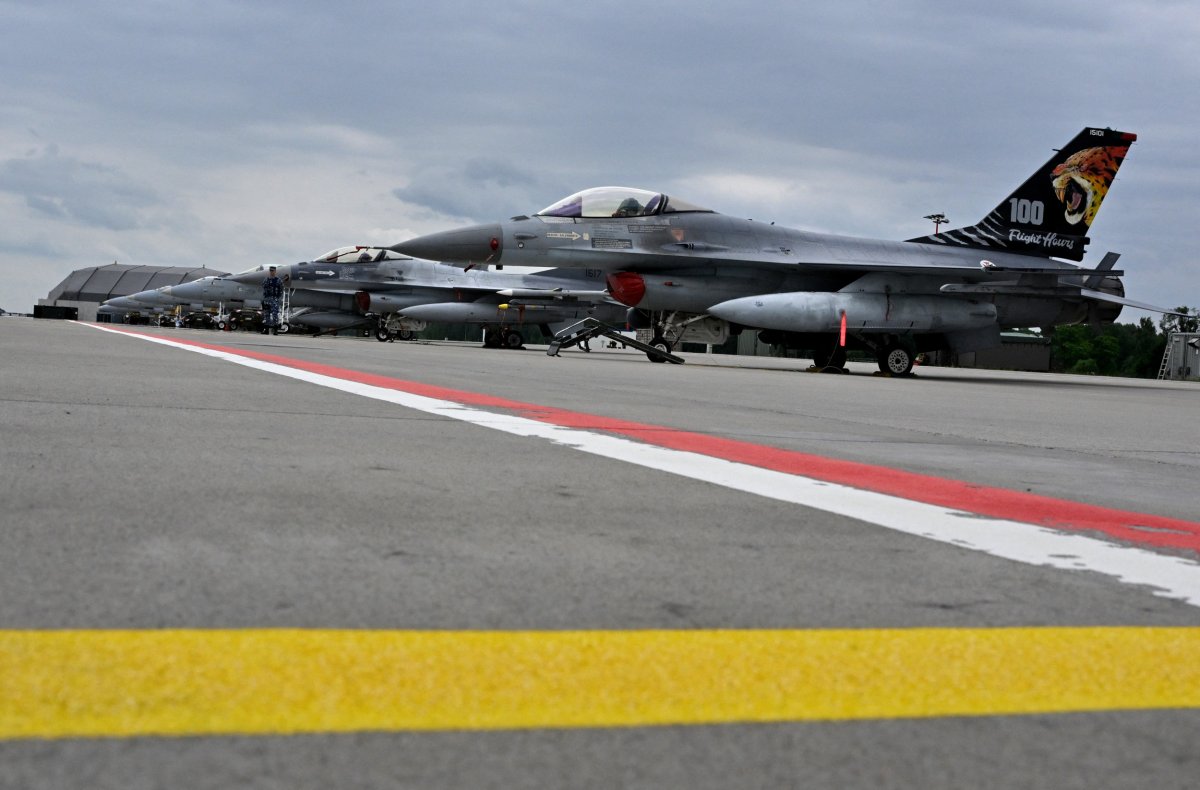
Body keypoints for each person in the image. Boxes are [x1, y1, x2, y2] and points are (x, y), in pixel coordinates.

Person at [261, 265, 284, 334]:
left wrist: (277, 297)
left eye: (273, 271)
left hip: (274, 299)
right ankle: (266, 329)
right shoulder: (266, 280)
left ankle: (275, 330)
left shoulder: (278, 280)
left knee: (275, 314)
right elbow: (263, 287)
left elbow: (281, 289)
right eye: (270, 271)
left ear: (275, 271)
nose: (272, 272)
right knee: (266, 314)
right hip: (267, 299)